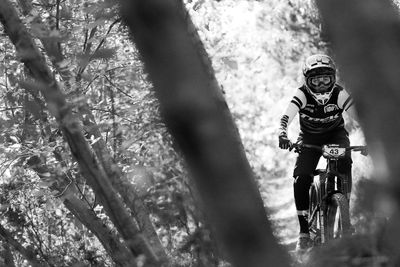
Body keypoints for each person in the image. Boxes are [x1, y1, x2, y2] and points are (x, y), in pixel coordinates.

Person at [278, 54, 357, 251]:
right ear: (307, 81)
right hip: (309, 139)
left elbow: (359, 116)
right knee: (301, 178)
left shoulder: (339, 94)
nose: (321, 84)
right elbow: (286, 117)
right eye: (316, 80)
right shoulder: (302, 94)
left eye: (326, 79)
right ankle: (304, 232)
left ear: (333, 78)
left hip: (336, 135)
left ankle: (344, 213)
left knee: (346, 162)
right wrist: (282, 134)